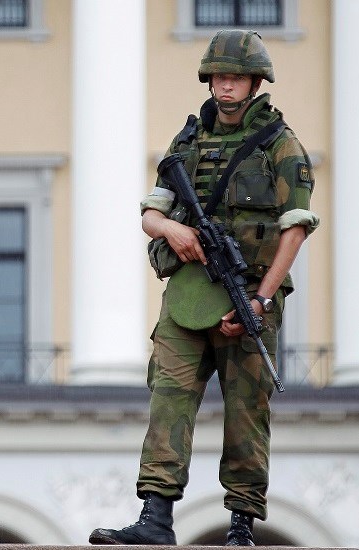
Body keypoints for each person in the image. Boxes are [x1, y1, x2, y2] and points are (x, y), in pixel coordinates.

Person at [89, 30, 320, 546]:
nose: (225, 87)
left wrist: (262, 297)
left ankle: (241, 525)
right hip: (189, 294)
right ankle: (155, 517)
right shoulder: (187, 142)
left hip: (249, 296)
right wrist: (175, 230)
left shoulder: (282, 146)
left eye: (235, 77)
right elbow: (152, 213)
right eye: (218, 77)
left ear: (255, 82)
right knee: (168, 398)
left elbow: (296, 226)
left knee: (247, 410)